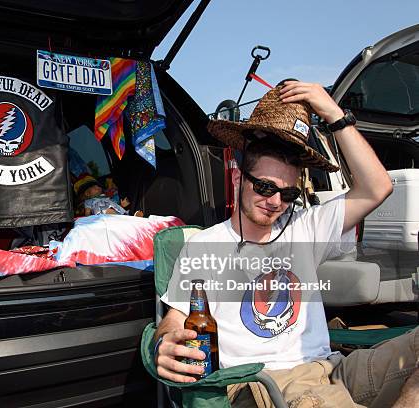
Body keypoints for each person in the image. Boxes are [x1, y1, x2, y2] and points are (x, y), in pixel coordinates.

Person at [153, 81, 418, 407]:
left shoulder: (304, 228)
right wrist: (164, 342)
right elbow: (176, 318)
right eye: (264, 187)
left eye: (288, 193)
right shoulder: (205, 246)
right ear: (239, 179)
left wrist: (334, 114)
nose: (276, 201)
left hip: (332, 370)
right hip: (265, 384)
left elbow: (377, 187)